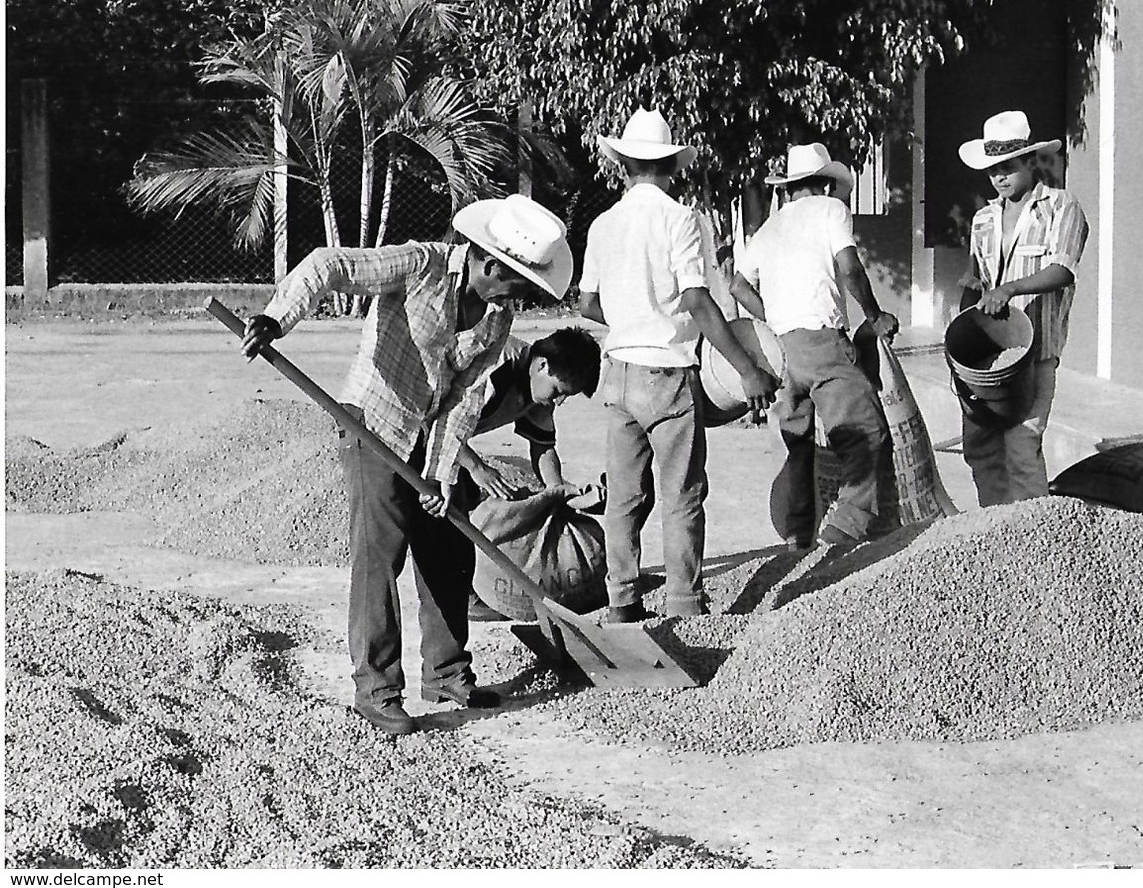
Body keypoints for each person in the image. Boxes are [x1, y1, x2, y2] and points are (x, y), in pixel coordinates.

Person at [240, 193, 574, 736]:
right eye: (517, 283)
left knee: (447, 549)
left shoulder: (496, 318)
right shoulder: (422, 265)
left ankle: (447, 674)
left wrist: (442, 474)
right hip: (373, 423)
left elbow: (464, 397)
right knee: (381, 555)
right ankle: (377, 689)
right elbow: (331, 265)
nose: (522, 297)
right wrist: (277, 319)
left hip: (428, 433)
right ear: (490, 264)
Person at [576, 106, 778, 623]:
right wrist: (747, 368)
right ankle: (684, 605)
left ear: (622, 165)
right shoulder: (681, 219)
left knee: (623, 497)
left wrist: (630, 316)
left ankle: (622, 601)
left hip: (617, 370)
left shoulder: (604, 224)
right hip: (667, 370)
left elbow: (588, 305)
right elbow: (695, 298)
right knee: (682, 493)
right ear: (671, 168)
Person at [729, 142, 899, 548]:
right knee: (867, 436)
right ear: (825, 185)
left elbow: (738, 285)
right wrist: (875, 317)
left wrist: (774, 316)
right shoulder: (831, 211)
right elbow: (850, 267)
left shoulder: (769, 228)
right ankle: (844, 533)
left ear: (788, 189)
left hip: (781, 350)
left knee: (799, 449)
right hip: (822, 344)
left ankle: (797, 537)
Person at [956, 110, 1088, 507]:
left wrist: (1010, 289)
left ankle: (1033, 532)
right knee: (980, 447)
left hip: (1035, 352)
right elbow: (974, 282)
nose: (999, 177)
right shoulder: (983, 219)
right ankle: (995, 527)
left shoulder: (1061, 207)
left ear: (1031, 162)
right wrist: (958, 349)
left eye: (1008, 167)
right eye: (993, 169)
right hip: (987, 359)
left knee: (1022, 443)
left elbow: (1062, 269)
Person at [435, 325, 605, 622]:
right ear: (541, 365)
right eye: (558, 392)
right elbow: (439, 421)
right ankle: (458, 597)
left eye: (566, 397)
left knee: (465, 504)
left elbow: (542, 448)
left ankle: (466, 589)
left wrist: (559, 492)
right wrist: (477, 467)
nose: (558, 402)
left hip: (447, 442)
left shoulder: (539, 391)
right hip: (413, 431)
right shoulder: (496, 369)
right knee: (449, 510)